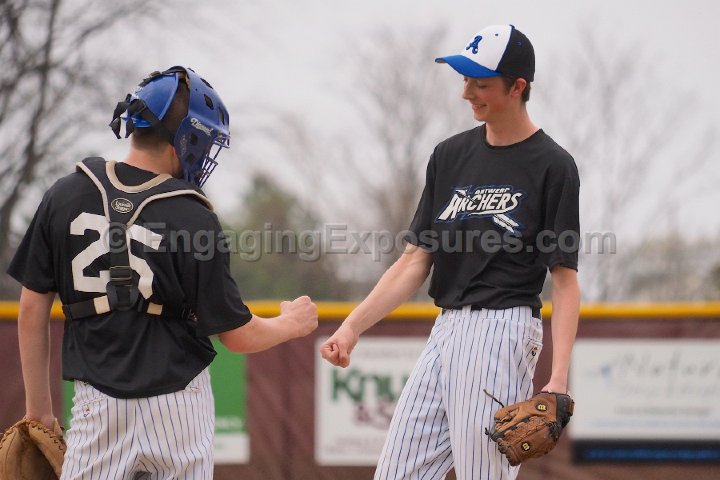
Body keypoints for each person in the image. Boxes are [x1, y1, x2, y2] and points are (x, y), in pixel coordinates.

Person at [8, 66, 318, 479]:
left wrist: (39, 412)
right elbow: (237, 335)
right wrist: (290, 324)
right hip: (179, 405)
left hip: (98, 408)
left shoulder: (65, 193)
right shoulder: (193, 215)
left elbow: (32, 309)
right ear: (187, 139)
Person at [321, 25, 580, 480]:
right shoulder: (450, 155)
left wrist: (557, 378)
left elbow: (564, 280)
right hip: (446, 329)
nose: (466, 93)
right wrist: (352, 326)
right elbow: (414, 259)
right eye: (465, 79)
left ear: (517, 86)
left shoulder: (552, 165)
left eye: (480, 83)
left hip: (501, 329)